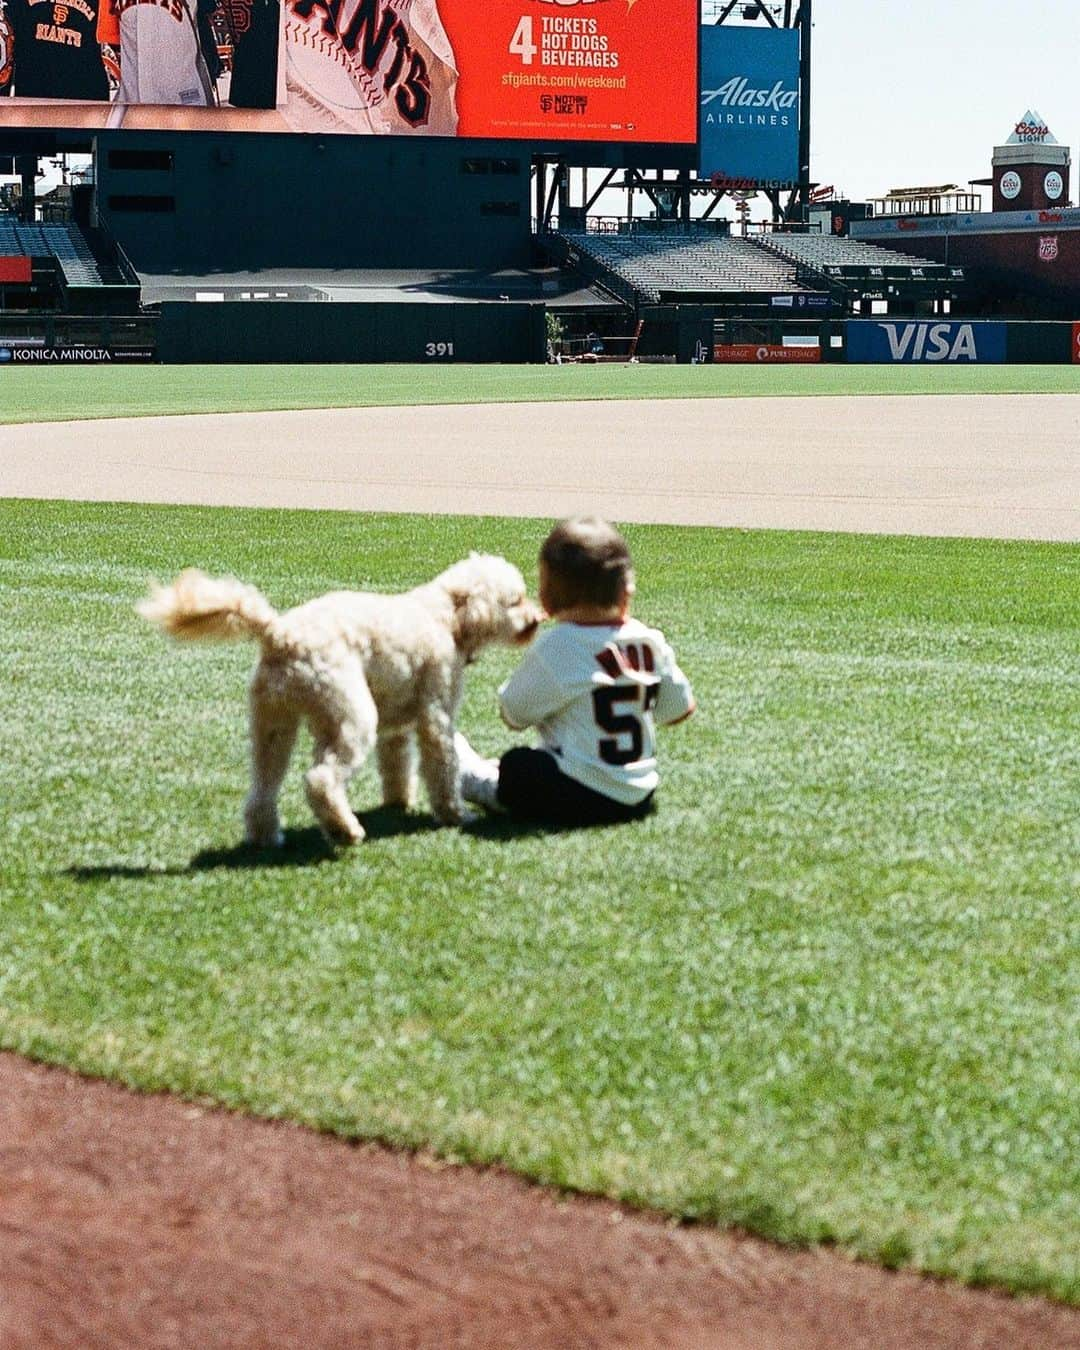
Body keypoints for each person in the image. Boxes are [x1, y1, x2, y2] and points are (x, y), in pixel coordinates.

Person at [456, 516, 695, 826]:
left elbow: (513, 714)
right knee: (548, 760)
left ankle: (478, 781)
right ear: (626, 592)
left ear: (547, 598)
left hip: (576, 796)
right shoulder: (649, 641)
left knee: (521, 765)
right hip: (639, 795)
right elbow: (679, 709)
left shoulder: (560, 644)